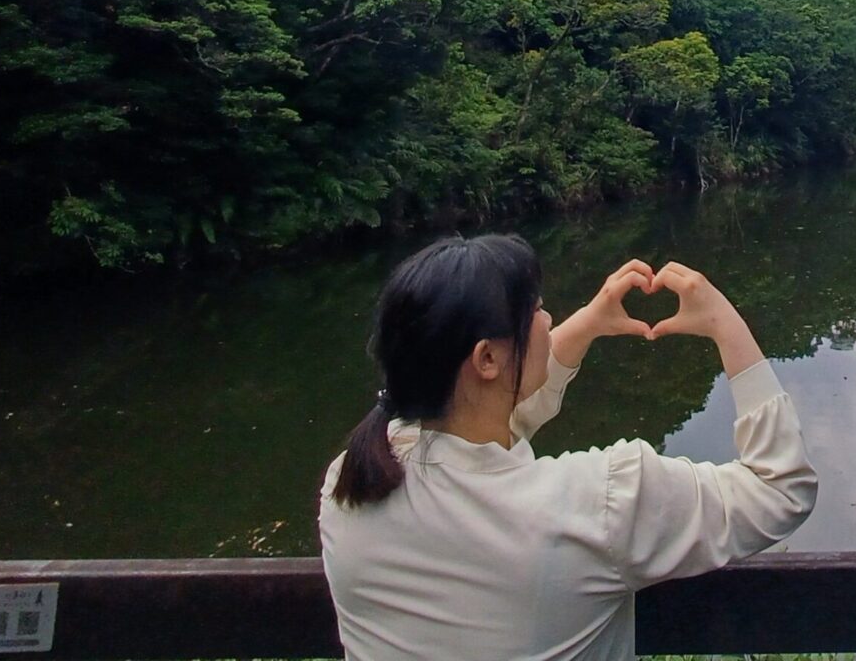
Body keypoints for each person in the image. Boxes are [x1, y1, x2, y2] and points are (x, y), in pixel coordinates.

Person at [318, 234, 817, 661]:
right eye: (534, 311)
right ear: (487, 358)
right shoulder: (603, 503)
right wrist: (726, 325)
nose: (548, 318)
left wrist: (589, 323)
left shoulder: (350, 485)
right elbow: (780, 488)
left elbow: (484, 425)